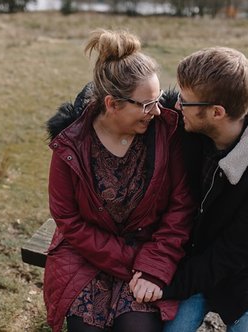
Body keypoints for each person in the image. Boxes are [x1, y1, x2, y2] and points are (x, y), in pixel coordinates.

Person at [44, 29, 194, 332]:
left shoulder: (165, 130)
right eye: (146, 104)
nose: (156, 111)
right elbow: (68, 219)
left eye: (157, 100)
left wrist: (153, 265)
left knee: (138, 328)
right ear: (112, 104)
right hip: (86, 255)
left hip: (150, 253)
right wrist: (131, 260)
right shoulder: (71, 144)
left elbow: (181, 207)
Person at [156, 46, 248, 332]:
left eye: (185, 101)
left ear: (217, 112)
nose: (177, 105)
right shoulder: (189, 123)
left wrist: (167, 285)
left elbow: (236, 251)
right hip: (194, 261)